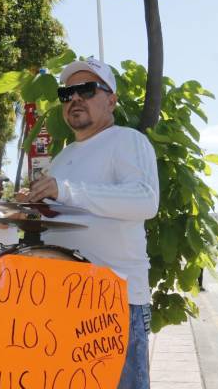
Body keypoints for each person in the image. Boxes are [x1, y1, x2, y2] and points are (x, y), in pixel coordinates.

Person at [21, 58, 160, 389]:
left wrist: (65, 190)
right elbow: (68, 215)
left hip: (115, 302)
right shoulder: (63, 157)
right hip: (65, 302)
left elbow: (145, 200)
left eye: (86, 89)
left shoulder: (127, 141)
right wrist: (35, 208)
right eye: (67, 92)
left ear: (111, 100)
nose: (75, 99)